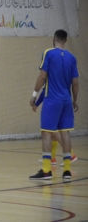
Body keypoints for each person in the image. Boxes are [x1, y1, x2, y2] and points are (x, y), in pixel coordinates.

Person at [29, 29, 79, 180]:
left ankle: (46, 171)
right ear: (65, 40)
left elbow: (42, 77)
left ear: (53, 39)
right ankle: (67, 171)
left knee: (46, 133)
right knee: (65, 133)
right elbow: (75, 83)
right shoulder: (72, 57)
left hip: (52, 100)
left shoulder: (48, 53)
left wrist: (34, 95)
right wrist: (74, 100)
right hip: (66, 100)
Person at [33, 88, 78, 166]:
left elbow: (44, 91)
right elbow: (75, 83)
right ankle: (52, 157)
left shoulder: (49, 76)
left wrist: (36, 102)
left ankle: (70, 154)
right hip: (64, 101)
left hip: (54, 103)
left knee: (52, 130)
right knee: (54, 131)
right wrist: (74, 100)